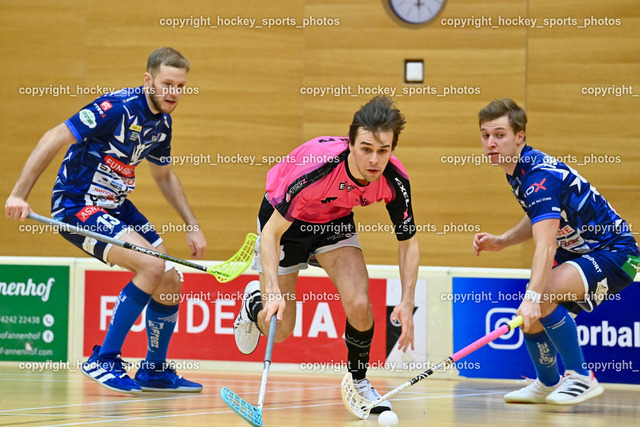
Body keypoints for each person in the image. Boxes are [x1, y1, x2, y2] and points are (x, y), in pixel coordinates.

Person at [5, 47, 207, 394]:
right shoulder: (116, 108)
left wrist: (190, 222)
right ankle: (105, 359)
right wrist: (18, 194)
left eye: (181, 85)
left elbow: (164, 176)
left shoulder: (162, 123)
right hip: (77, 204)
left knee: (170, 280)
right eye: (167, 84)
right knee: (151, 266)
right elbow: (52, 137)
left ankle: (153, 371)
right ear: (148, 80)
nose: (174, 92)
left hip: (115, 205)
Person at [233, 95, 420, 413]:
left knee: (361, 303)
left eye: (383, 150)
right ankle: (254, 302)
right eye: (366, 149)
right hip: (285, 223)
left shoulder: (395, 179)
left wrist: (406, 299)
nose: (374, 160)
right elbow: (270, 233)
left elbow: (408, 242)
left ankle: (359, 382)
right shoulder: (316, 170)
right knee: (282, 330)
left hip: (334, 219)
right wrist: (273, 292)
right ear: (351, 143)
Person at [473, 98, 639, 405]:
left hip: (616, 253)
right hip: (580, 254)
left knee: (539, 296)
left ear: (519, 136)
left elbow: (546, 243)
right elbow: (540, 218)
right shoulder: (521, 170)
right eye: (485, 136)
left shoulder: (538, 177)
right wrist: (502, 241)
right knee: (530, 317)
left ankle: (581, 376)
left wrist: (534, 296)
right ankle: (547, 383)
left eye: (500, 135)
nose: (491, 143)